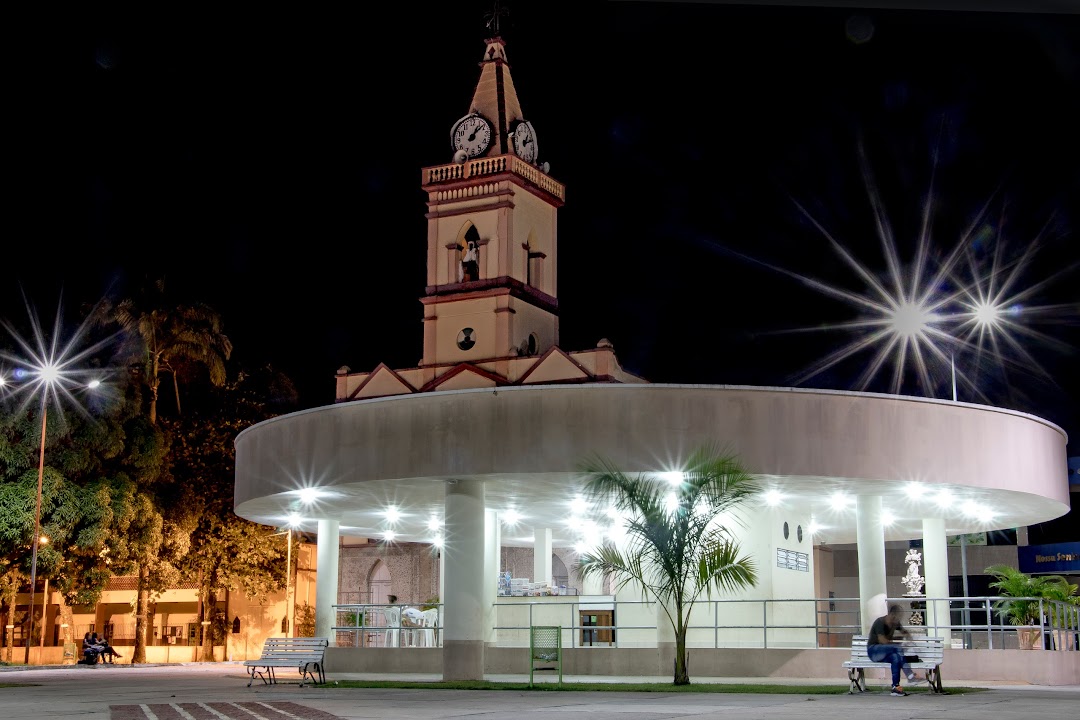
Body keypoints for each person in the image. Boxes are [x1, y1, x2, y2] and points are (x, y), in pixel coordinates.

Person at [867, 604, 925, 695]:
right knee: (897, 648)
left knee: (896, 658)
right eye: (898, 617)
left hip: (885, 652)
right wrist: (899, 640)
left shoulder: (895, 623)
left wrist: (907, 637)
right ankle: (910, 676)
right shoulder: (880, 622)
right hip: (874, 651)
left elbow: (904, 632)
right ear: (892, 615)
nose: (898, 620)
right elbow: (883, 641)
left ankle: (895, 687)